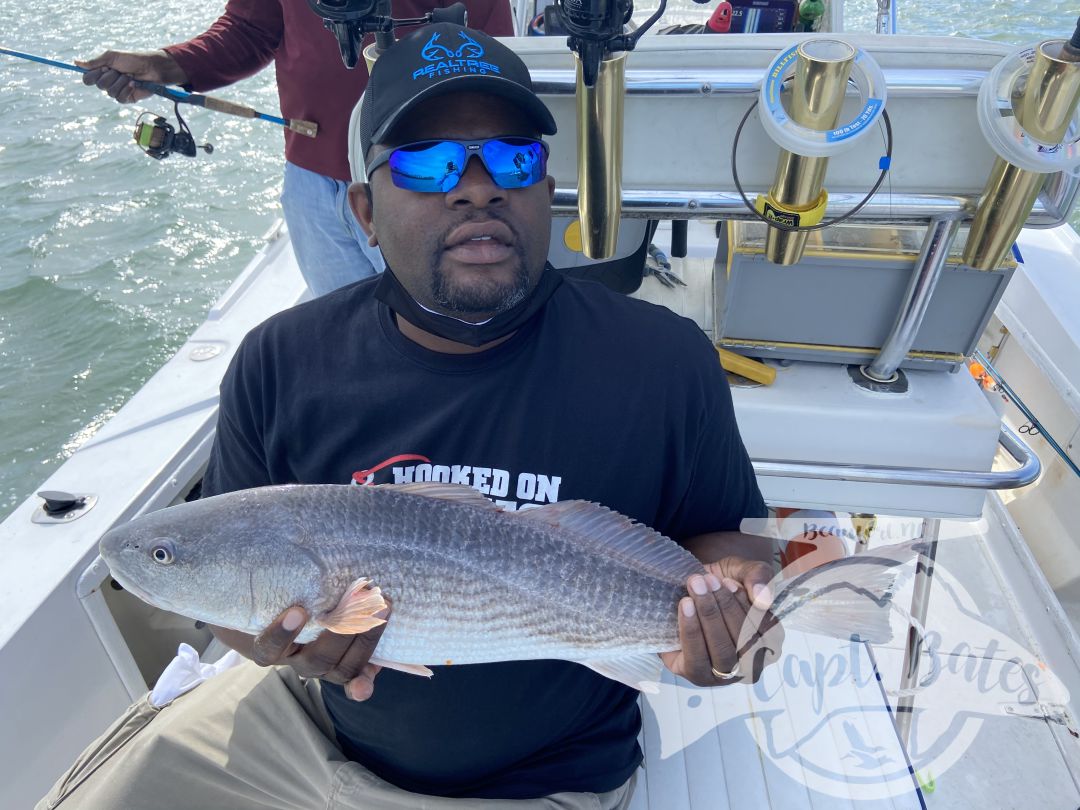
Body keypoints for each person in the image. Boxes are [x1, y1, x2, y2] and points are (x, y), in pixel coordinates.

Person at [40, 23, 781, 810]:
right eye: (426, 164)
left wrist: (737, 620)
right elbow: (236, 595)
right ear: (362, 210)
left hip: (536, 779)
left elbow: (733, 547)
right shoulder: (281, 358)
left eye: (512, 158)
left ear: (545, 190)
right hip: (306, 727)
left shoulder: (662, 359)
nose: (476, 187)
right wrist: (289, 650)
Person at [77, 0, 514, 297]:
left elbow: (492, 41)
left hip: (430, 172)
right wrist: (162, 65)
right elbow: (251, 27)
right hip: (313, 182)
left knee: (445, 336)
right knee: (348, 335)